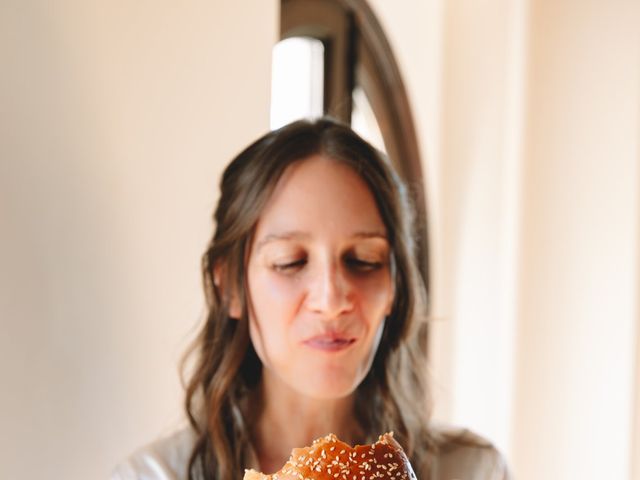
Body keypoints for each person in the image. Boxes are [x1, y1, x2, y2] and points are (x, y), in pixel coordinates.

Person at [111, 118, 510, 480]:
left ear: (395, 286)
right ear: (230, 286)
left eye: (363, 260)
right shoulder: (154, 476)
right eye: (290, 262)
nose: (331, 299)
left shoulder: (472, 471)